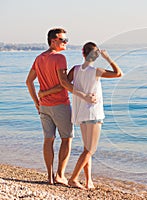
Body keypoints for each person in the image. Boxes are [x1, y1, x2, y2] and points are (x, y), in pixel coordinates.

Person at [26, 28, 95, 185]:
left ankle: (50, 177)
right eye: (63, 40)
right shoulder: (59, 58)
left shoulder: (39, 58)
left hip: (44, 106)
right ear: (53, 41)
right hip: (60, 105)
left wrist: (37, 101)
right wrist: (84, 96)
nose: (66, 42)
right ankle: (60, 175)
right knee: (66, 139)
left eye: (66, 39)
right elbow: (63, 83)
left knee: (48, 139)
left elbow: (28, 81)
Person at [68, 42, 123, 190]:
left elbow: (65, 84)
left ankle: (88, 181)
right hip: (93, 113)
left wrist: (80, 94)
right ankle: (73, 178)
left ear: (83, 53)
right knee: (90, 150)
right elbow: (119, 73)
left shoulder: (75, 69)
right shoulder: (96, 71)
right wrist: (108, 58)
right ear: (96, 56)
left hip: (81, 113)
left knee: (87, 149)